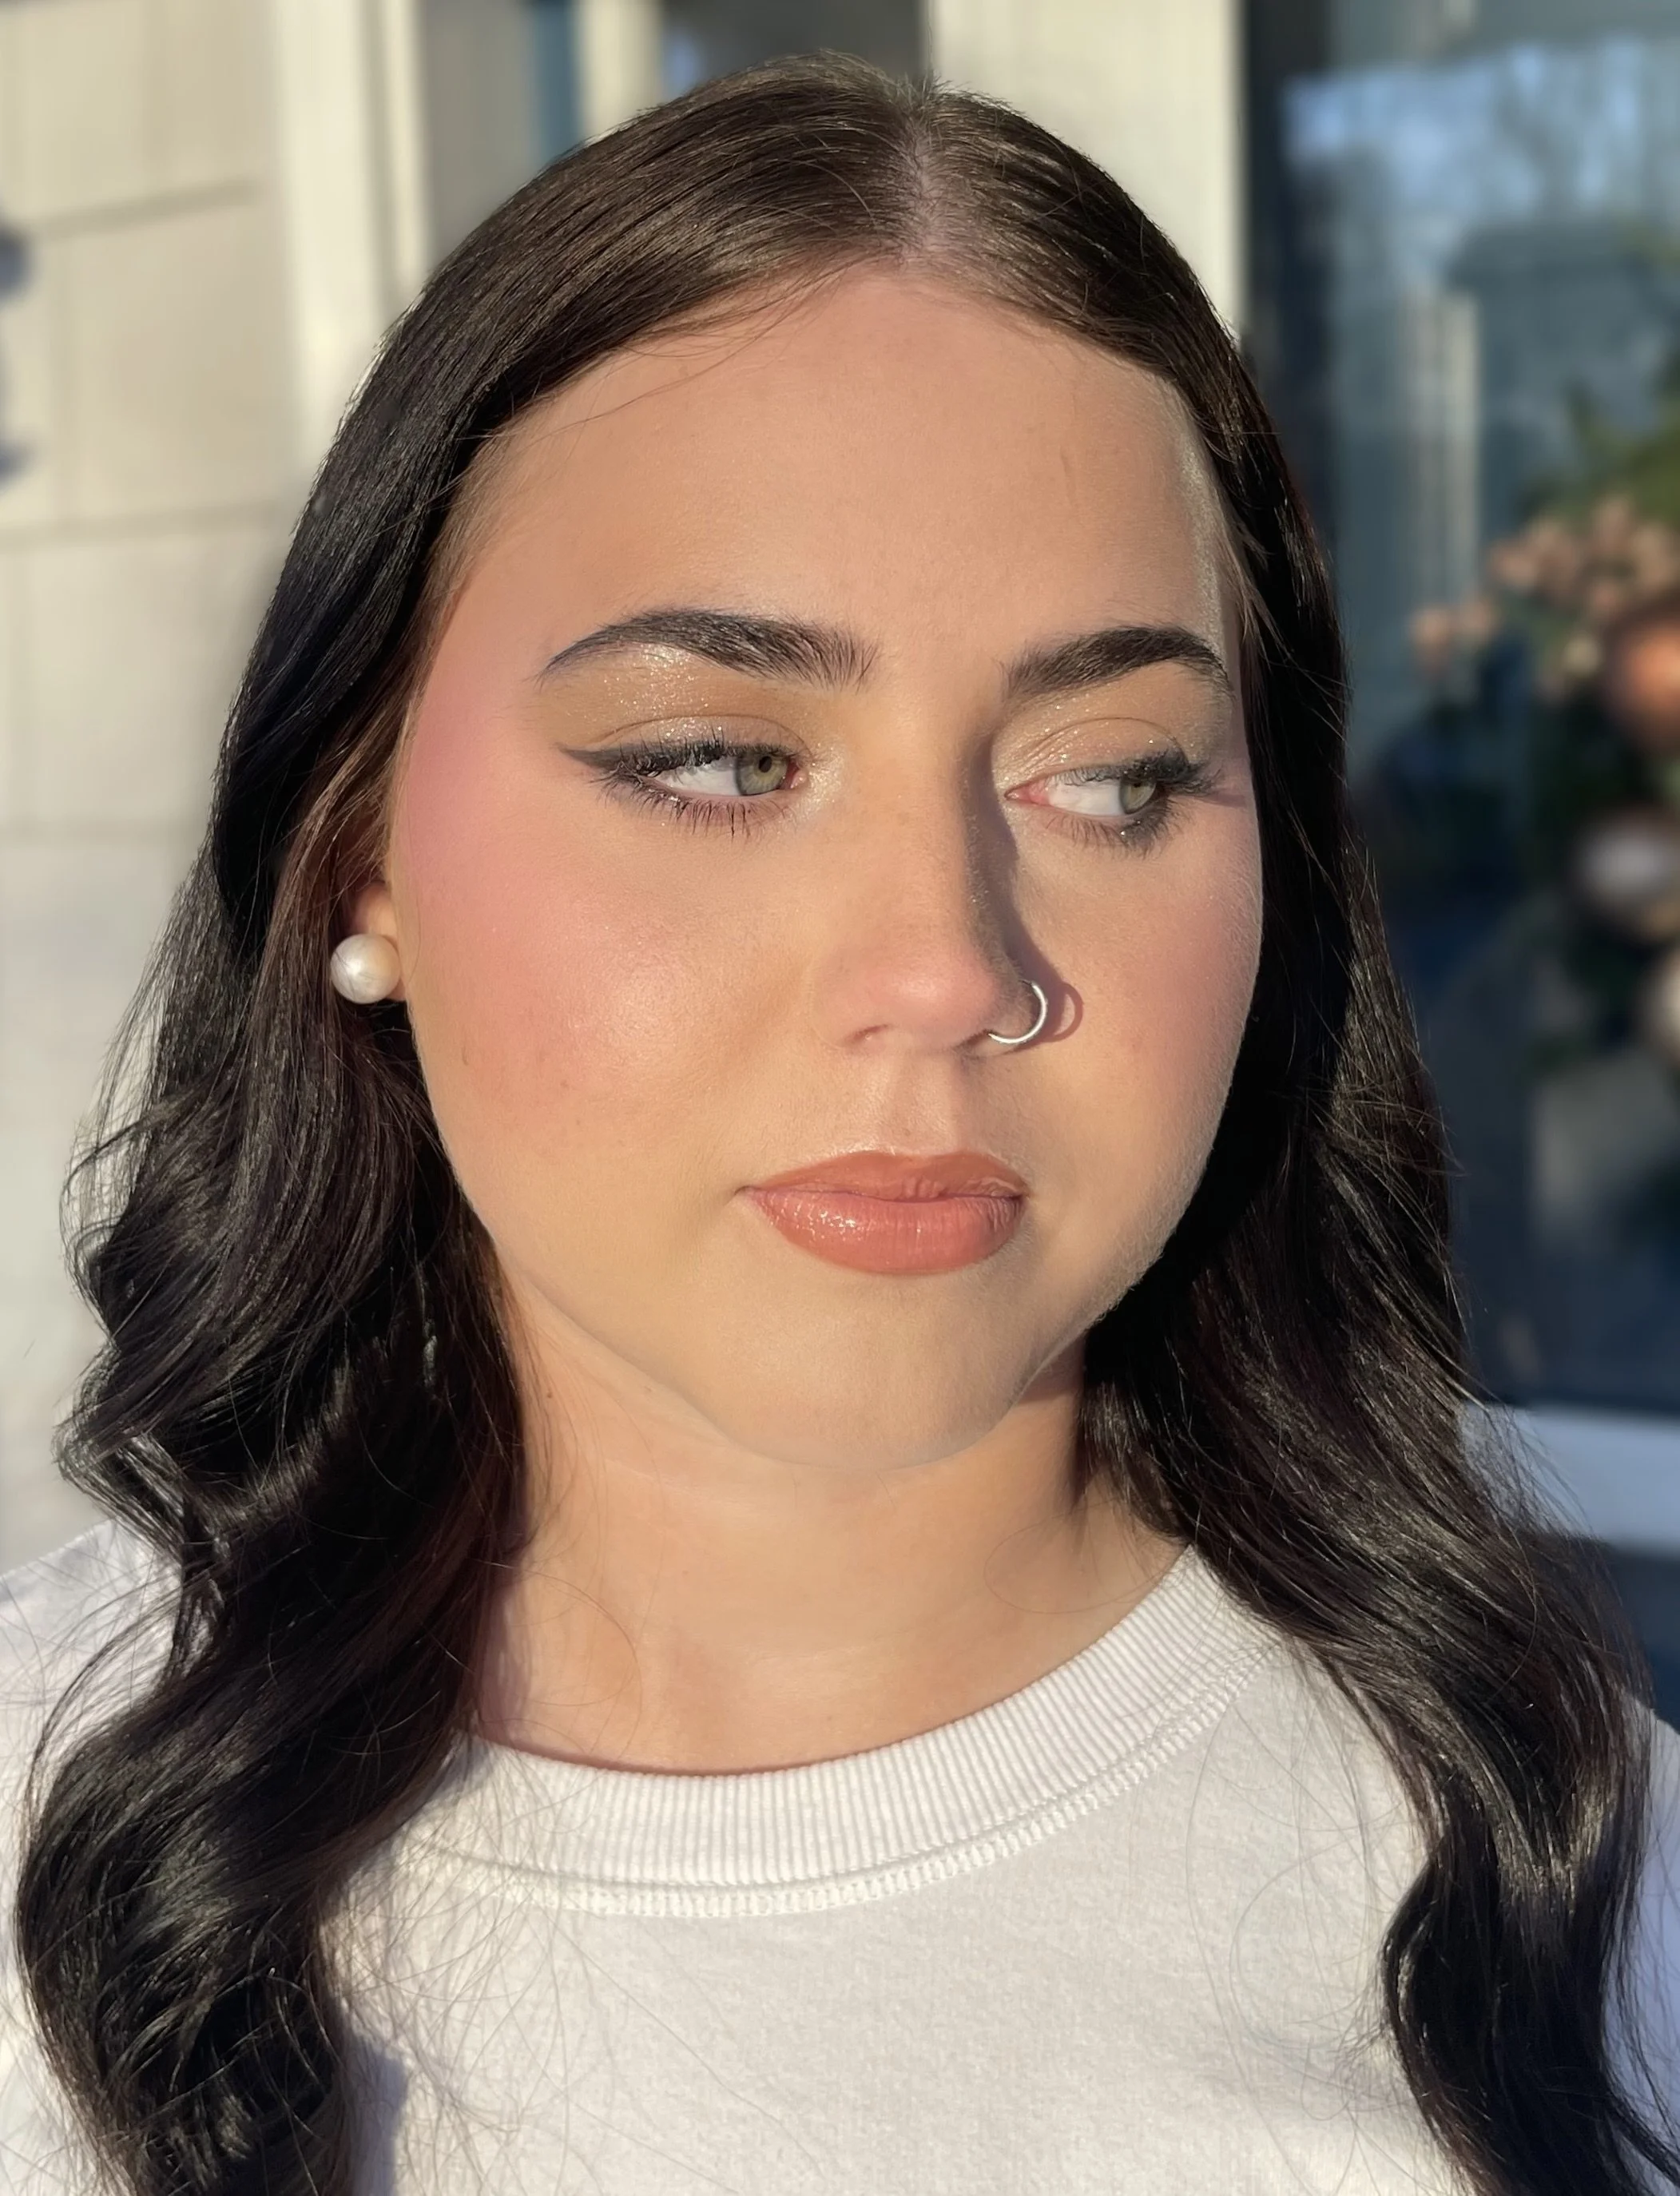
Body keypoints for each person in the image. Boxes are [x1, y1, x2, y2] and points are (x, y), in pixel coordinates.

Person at [1, 55, 1676, 2196]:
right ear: (356, 860)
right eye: (712, 755)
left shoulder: (1577, 1900)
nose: (946, 962)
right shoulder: (47, 1823)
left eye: (1116, 775)